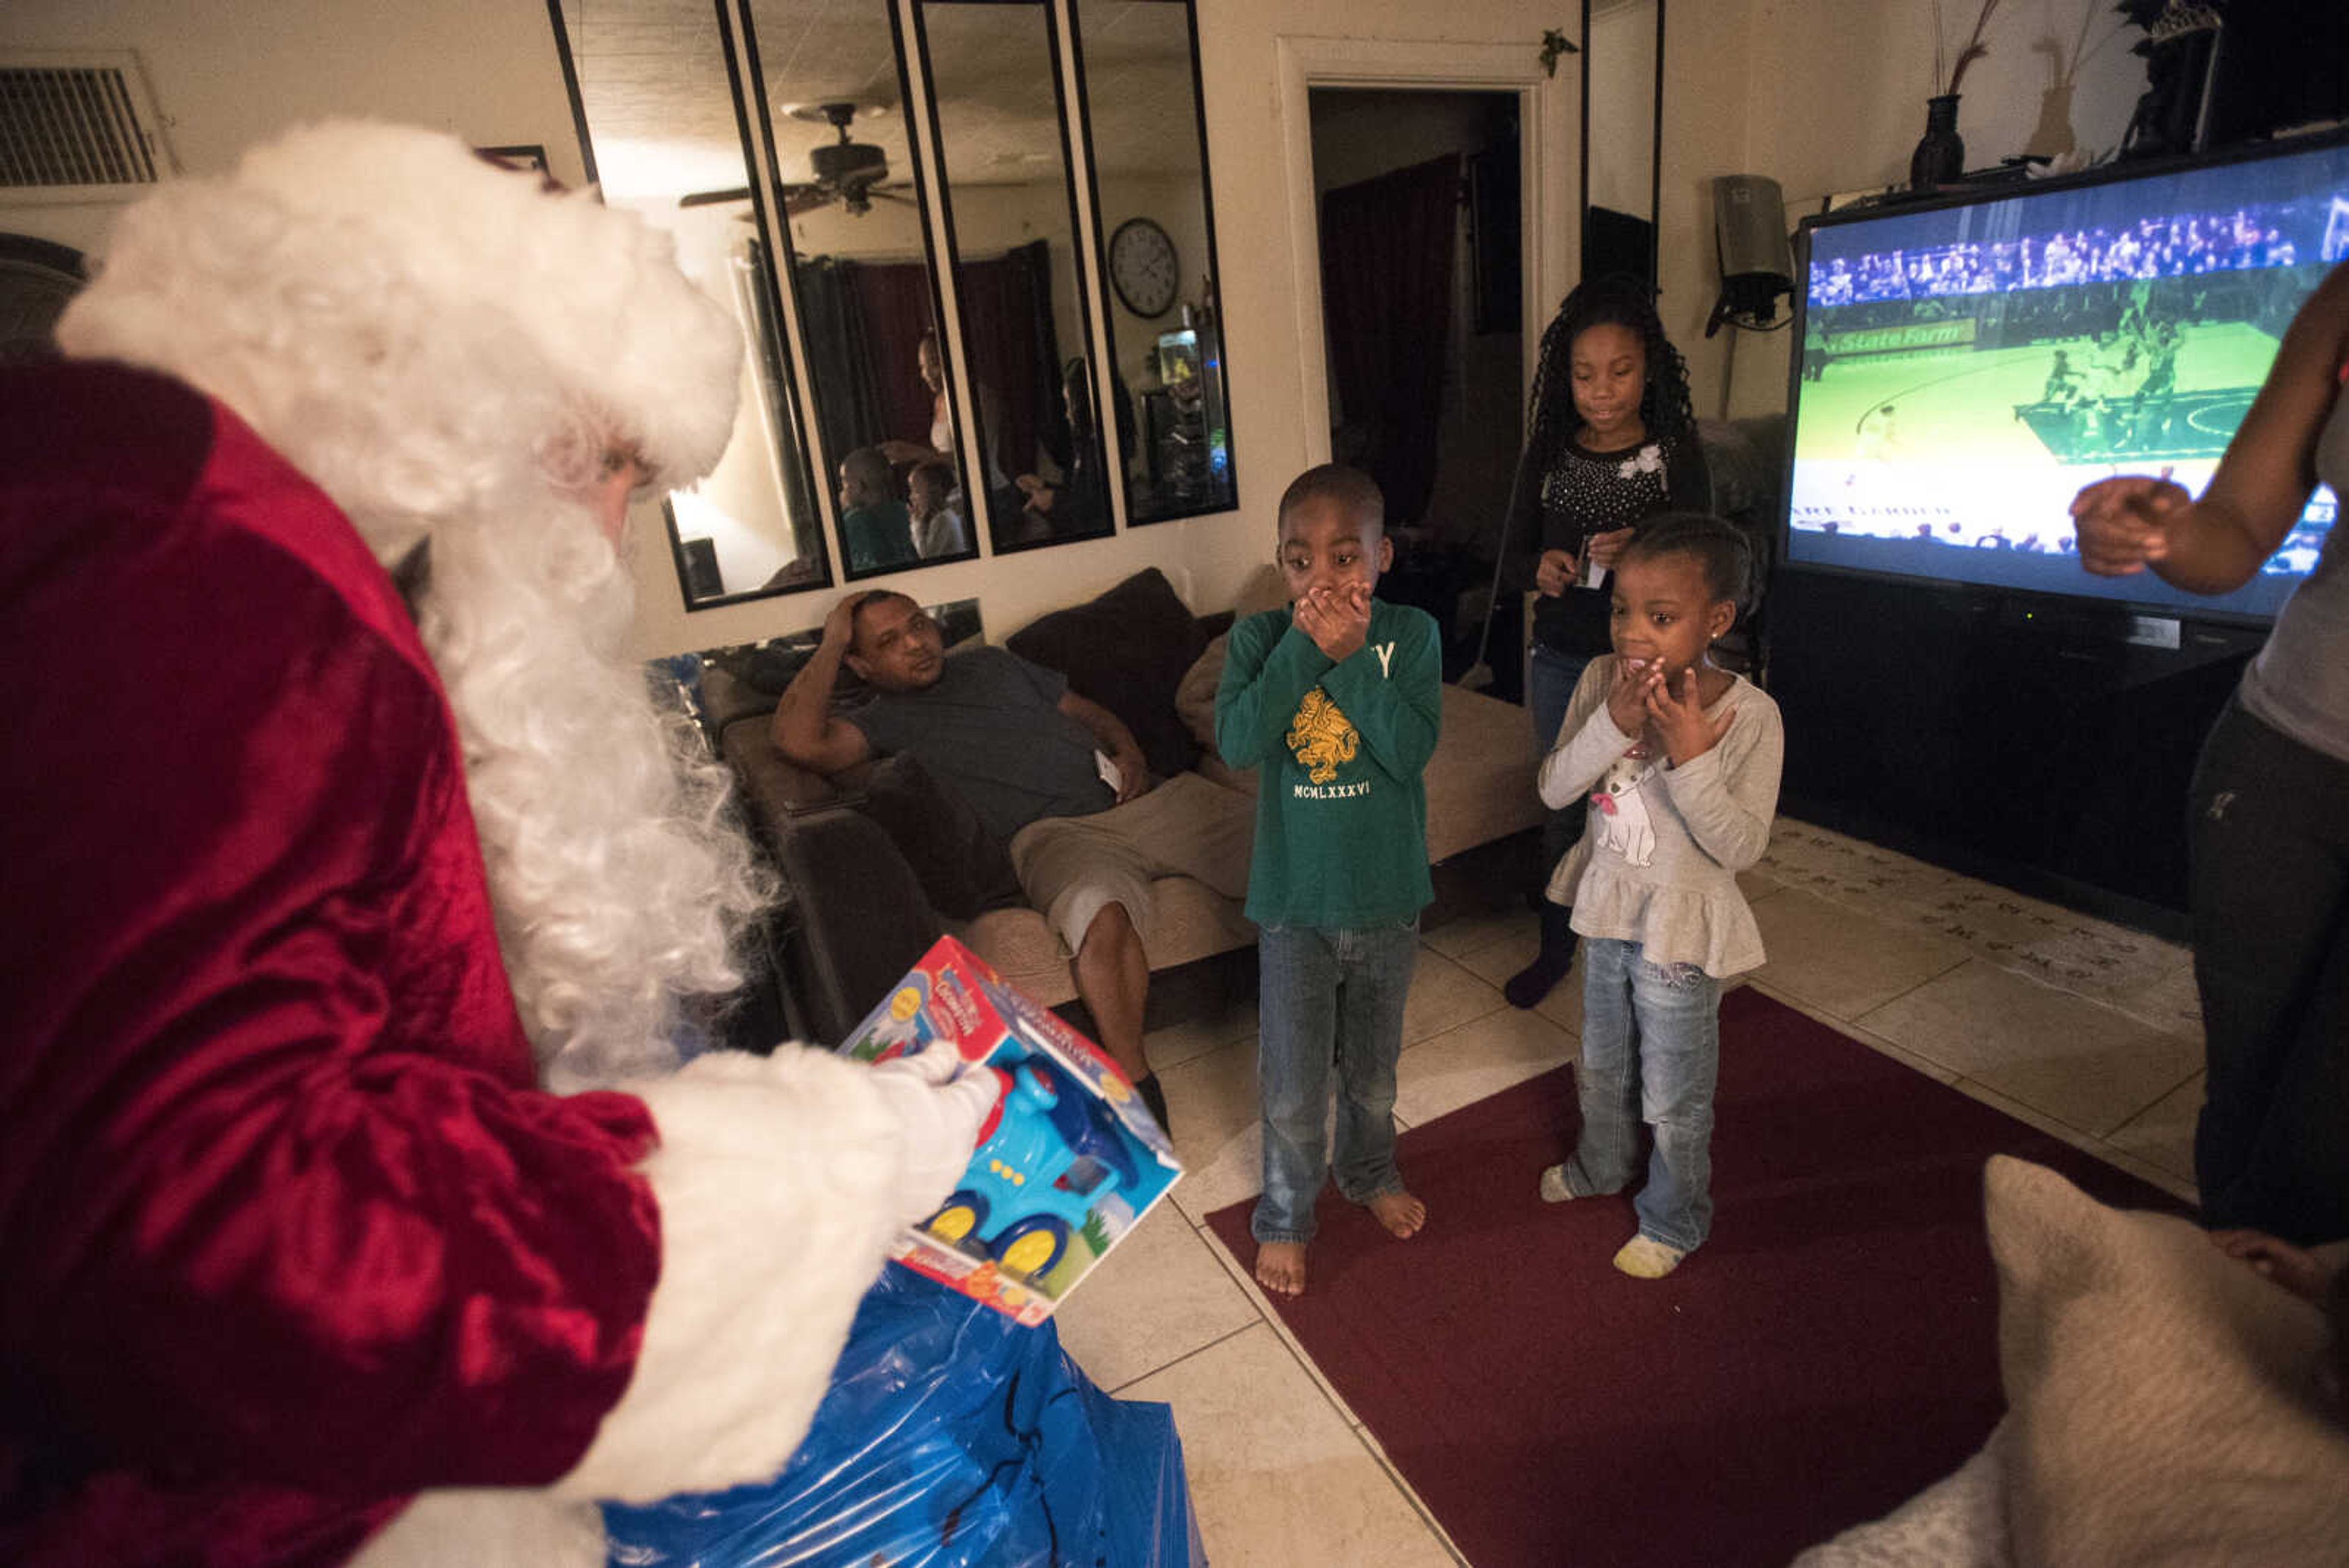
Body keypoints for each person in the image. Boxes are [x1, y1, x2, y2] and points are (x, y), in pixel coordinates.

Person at [0, 121, 1003, 1566]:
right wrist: (830, 1160)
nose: (608, 534)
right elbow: (235, 1240)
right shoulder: (193, 564)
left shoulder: (265, 555)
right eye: (613, 467)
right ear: (471, 396)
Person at [2071, 256, 2349, 1246]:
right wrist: (2158, 529)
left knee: (2322, 1156)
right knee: (2245, 1120)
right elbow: (2231, 538)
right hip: (2280, 763)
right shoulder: (2344, 295)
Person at [771, 591, 1255, 1132]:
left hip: (1145, 802)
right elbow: (797, 741)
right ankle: (1134, 1088)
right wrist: (834, 637)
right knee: (1100, 912)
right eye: (889, 641)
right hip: (1056, 838)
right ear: (859, 664)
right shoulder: (875, 720)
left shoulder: (990, 663)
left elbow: (1083, 709)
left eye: (917, 624)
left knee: (1295, 844)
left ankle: (1340, 999)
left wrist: (1130, 751)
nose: (915, 643)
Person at [1532, 515, 1783, 1279]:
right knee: (1602, 1062)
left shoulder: (1751, 716)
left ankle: (1675, 1216)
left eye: (1662, 617)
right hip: (1608, 909)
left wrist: (1693, 757)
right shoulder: (1599, 683)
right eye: (1621, 610)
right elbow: (1555, 788)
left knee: (1675, 1088)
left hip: (1682, 929)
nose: (1633, 633)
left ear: (1716, 621)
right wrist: (1612, 723)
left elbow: (1740, 846)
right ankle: (1601, 1164)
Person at [1212, 465, 1441, 1298]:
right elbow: (1238, 742)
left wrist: (1350, 661)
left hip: (1387, 897)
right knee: (1292, 1084)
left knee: (1374, 1073)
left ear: (1380, 557)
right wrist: (1306, 651)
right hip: (1293, 907)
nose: (1325, 578)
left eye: (1347, 557)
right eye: (1303, 560)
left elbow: (1410, 749)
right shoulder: (1256, 640)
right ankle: (1285, 1213)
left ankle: (1370, 1170)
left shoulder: (1411, 635)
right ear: (1283, 565)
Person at [1499, 277, 1712, 1010]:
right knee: (1562, 800)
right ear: (1566, 377)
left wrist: (1646, 547)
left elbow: (1707, 556)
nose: (1602, 390)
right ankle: (1557, 944)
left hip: (1654, 662)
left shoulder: (1674, 456)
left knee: (1648, 803)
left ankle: (1657, 939)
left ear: (1647, 369)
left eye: (1620, 371)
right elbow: (1510, 553)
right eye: (1585, 374)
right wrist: (1540, 568)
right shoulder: (1550, 455)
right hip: (1562, 656)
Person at [837, 444, 916, 573]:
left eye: (845, 482)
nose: (843, 490)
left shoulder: (854, 521)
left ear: (859, 486)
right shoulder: (906, 510)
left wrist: (844, 512)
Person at [907, 458, 968, 559]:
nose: (911, 497)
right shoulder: (939, 518)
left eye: (916, 491)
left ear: (934, 490)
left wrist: (916, 522)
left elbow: (927, 556)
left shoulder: (943, 519)